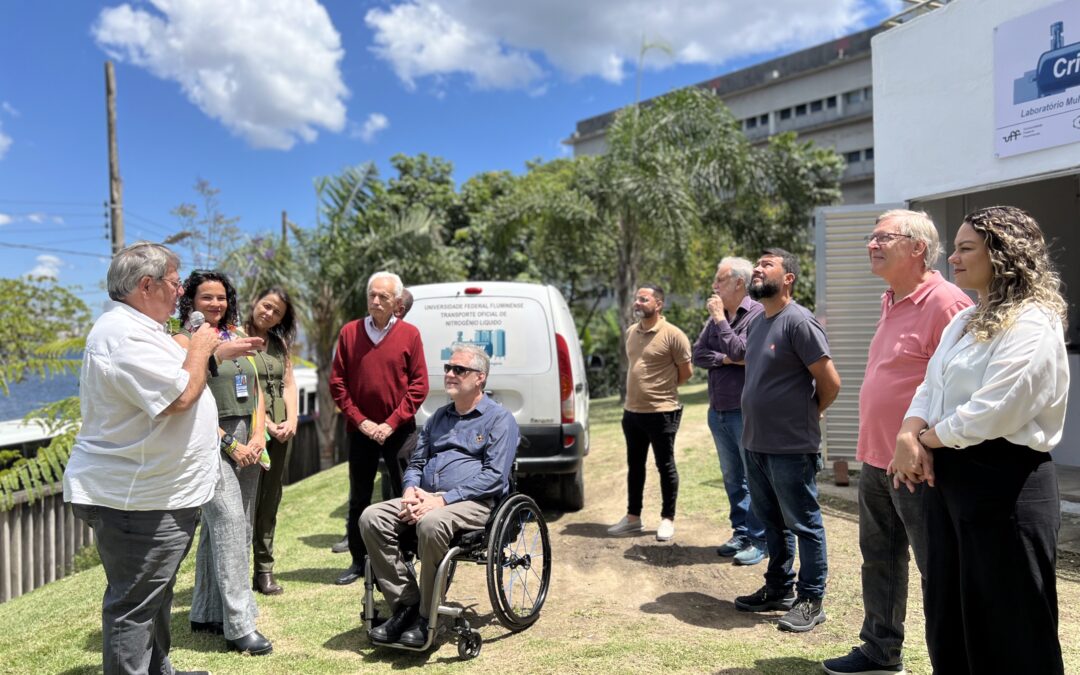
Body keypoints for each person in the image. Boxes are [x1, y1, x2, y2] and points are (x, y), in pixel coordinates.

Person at [890, 206, 1068, 674]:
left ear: (1004, 254)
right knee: (950, 612)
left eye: (967, 248)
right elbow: (931, 385)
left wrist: (927, 439)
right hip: (949, 480)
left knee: (1010, 622)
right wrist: (910, 432)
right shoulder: (966, 319)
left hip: (1006, 484)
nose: (953, 258)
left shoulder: (1033, 320)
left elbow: (999, 406)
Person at [63, 242, 256, 674]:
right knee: (134, 606)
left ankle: (158, 669)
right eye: (175, 282)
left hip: (157, 494)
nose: (180, 291)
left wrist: (211, 354)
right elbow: (179, 397)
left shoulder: (144, 328)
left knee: (156, 595)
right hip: (137, 500)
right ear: (146, 285)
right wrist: (203, 346)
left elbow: (177, 376)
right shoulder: (123, 335)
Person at [823, 211, 971, 674]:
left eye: (882, 237)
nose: (871, 244)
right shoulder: (891, 299)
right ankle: (879, 651)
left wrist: (925, 445)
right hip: (877, 458)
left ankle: (956, 661)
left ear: (917, 248)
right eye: (871, 237)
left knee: (938, 570)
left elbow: (959, 390)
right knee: (880, 560)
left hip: (919, 465)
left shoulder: (948, 303)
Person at [360, 344, 519, 647]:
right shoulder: (437, 419)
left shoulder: (500, 419)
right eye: (448, 368)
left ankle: (426, 617)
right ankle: (407, 606)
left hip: (475, 504)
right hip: (427, 498)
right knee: (372, 517)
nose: (450, 374)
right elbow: (416, 464)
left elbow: (495, 477)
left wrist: (441, 500)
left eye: (459, 369)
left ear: (480, 378)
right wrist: (409, 492)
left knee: (431, 523)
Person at [735, 248, 840, 633]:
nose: (758, 270)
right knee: (771, 522)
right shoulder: (758, 322)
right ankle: (778, 588)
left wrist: (812, 413)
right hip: (756, 443)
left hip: (791, 447)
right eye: (757, 265)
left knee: (804, 524)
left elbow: (831, 383)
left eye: (767, 265)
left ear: (788, 278)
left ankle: (811, 600)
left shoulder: (799, 321)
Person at [175, 270, 273, 656]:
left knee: (230, 528)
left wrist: (258, 434)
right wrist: (230, 443)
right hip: (210, 440)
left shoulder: (233, 336)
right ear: (191, 302)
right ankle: (239, 625)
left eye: (221, 297)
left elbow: (258, 389)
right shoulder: (183, 342)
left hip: (249, 437)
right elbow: (188, 401)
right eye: (206, 298)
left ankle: (205, 611)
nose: (215, 304)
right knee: (230, 523)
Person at [330, 272, 428, 585]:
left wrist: (390, 422)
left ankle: (406, 555)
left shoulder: (410, 334)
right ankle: (359, 561)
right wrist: (363, 421)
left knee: (406, 493)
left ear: (396, 302)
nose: (375, 301)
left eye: (383, 297)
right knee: (358, 496)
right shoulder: (349, 333)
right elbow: (337, 383)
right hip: (361, 431)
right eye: (372, 295)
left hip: (399, 430)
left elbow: (419, 384)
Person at [692, 257, 767, 565]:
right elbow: (698, 354)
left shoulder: (757, 314)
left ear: (739, 283)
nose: (714, 286)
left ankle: (759, 538)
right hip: (719, 410)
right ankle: (741, 531)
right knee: (732, 477)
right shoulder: (717, 318)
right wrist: (725, 359)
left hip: (744, 410)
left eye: (719, 280)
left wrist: (722, 324)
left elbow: (744, 352)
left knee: (754, 476)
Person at [607, 284, 693, 542]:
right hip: (632, 412)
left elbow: (686, 373)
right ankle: (633, 518)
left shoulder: (673, 335)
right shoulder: (631, 332)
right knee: (635, 466)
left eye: (643, 299)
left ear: (658, 304)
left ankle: (667, 519)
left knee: (665, 466)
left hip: (662, 412)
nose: (637, 303)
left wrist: (661, 390)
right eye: (636, 299)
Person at [246, 287, 299, 596]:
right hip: (250, 428)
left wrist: (291, 420)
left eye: (277, 312)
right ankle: (237, 571)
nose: (269, 313)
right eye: (267, 306)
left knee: (270, 500)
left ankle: (263, 569)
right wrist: (264, 424)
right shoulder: (234, 337)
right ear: (255, 301)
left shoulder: (279, 343)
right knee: (245, 501)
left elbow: (288, 383)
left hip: (281, 433)